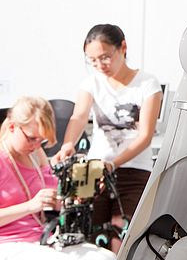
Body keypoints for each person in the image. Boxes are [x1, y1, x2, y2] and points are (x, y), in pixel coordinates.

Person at [53, 24, 162, 252]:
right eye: (91, 60)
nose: (99, 65)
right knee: (85, 231)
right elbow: (79, 116)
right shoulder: (91, 83)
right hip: (94, 169)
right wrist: (68, 144)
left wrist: (114, 163)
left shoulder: (147, 84)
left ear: (122, 47)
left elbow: (145, 136)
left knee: (122, 236)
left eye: (105, 57)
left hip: (133, 170)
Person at [0, 97, 114, 259]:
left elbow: (55, 198)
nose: (36, 145)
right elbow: (34, 205)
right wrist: (31, 206)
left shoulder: (34, 153)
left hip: (42, 237)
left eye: (42, 140)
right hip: (9, 242)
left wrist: (79, 196)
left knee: (106, 257)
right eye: (31, 138)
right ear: (12, 127)